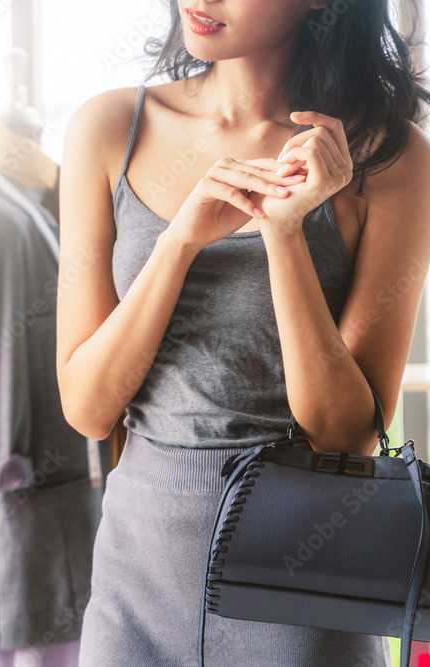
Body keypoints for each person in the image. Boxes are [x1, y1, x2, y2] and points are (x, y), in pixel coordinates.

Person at [57, 1, 430, 664]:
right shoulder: (110, 127)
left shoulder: (390, 156)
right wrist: (178, 243)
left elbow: (347, 433)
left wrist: (284, 232)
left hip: (304, 588)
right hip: (134, 588)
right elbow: (89, 408)